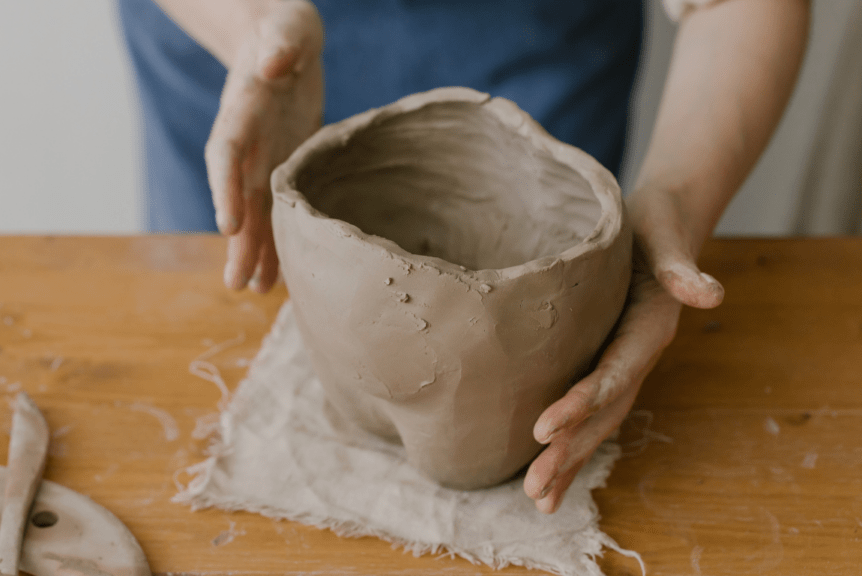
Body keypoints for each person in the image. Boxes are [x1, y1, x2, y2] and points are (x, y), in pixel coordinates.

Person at [119, 0, 810, 513]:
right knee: (227, 314)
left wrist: (677, 204)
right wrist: (254, 32)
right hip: (254, 70)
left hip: (538, 83)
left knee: (499, 411)